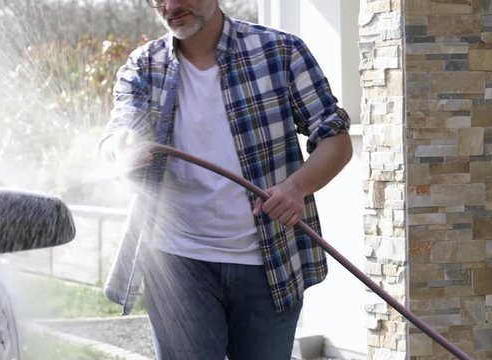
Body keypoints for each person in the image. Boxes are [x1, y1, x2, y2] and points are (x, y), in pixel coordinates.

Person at [99, 0, 353, 359]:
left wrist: (297, 187)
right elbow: (119, 131)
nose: (170, 7)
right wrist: (120, 150)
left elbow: (336, 141)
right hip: (178, 261)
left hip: (270, 264)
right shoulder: (144, 66)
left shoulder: (281, 52)